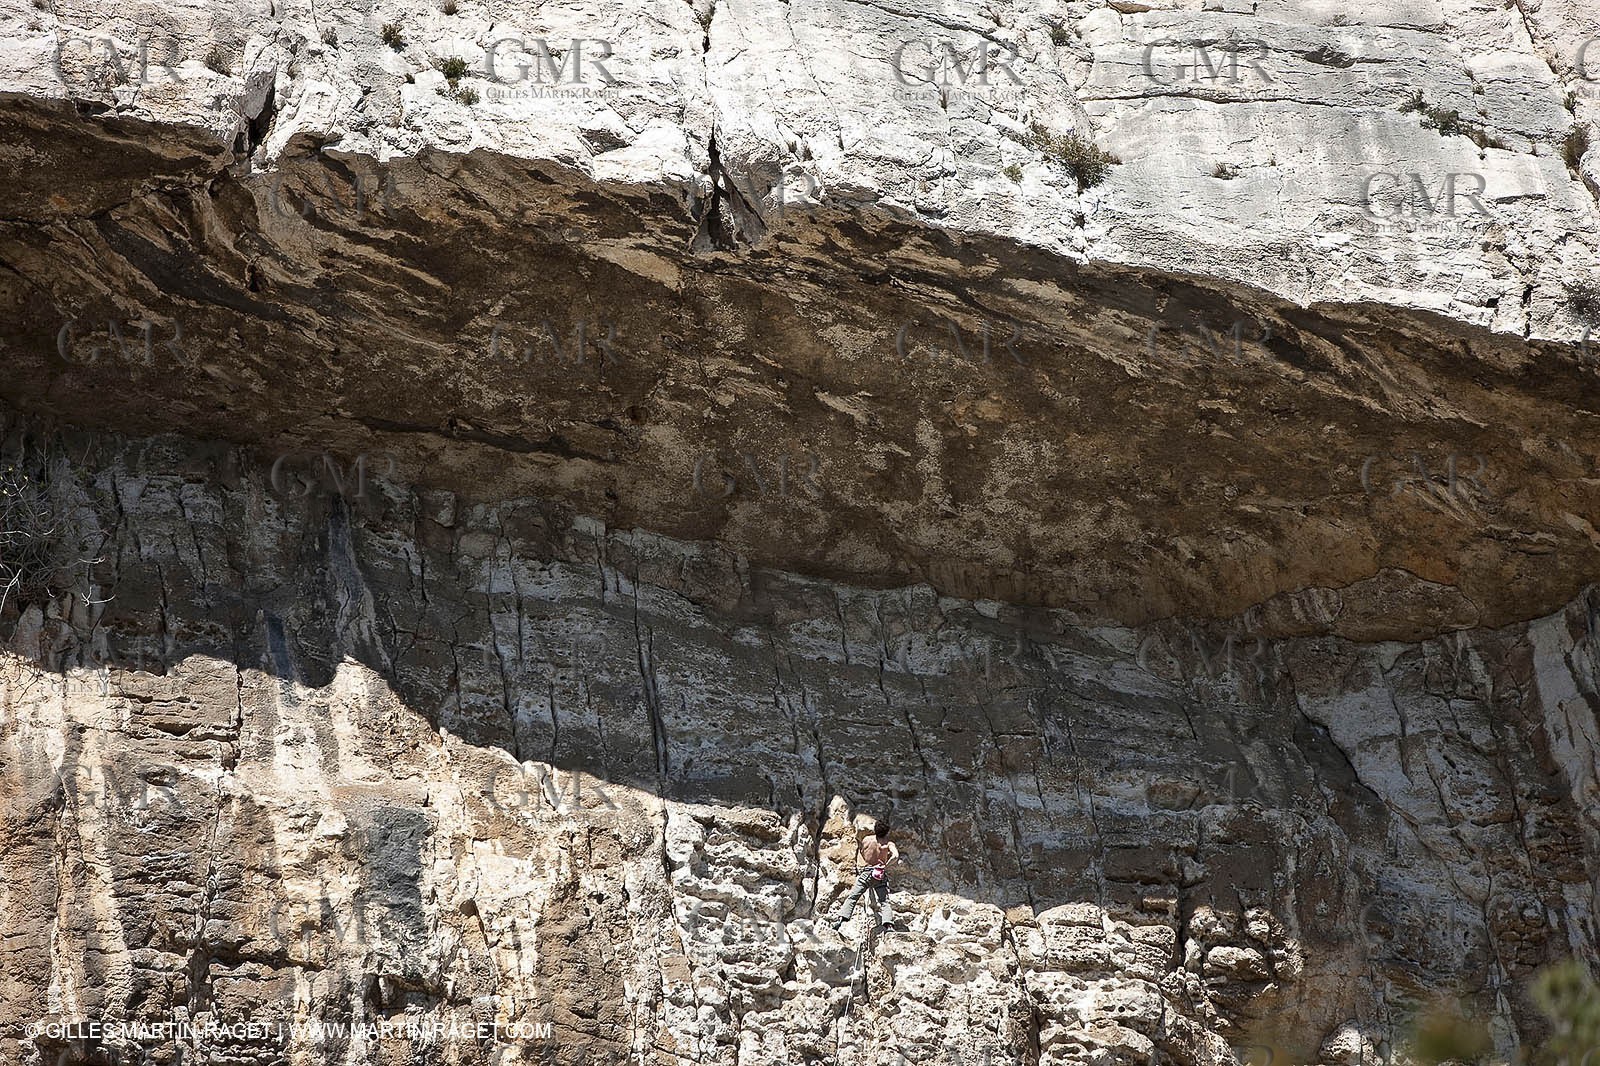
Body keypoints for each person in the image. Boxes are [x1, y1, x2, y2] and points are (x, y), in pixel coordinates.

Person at [829, 822, 899, 930]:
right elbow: (896, 856)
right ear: (887, 832)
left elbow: (862, 852)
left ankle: (841, 919)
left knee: (853, 896)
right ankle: (889, 925)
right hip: (879, 874)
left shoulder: (867, 840)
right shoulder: (888, 843)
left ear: (875, 830)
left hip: (867, 872)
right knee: (884, 901)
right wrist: (885, 865)